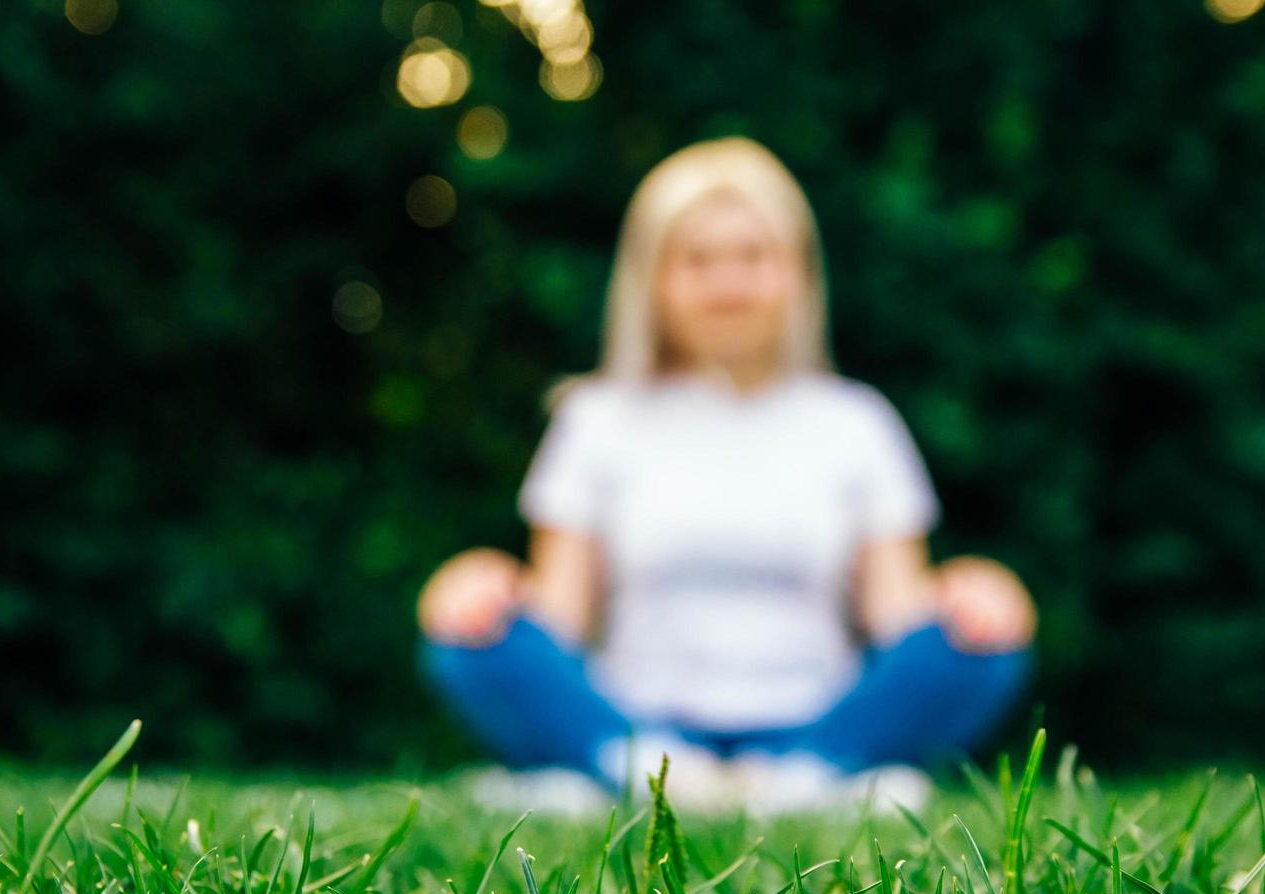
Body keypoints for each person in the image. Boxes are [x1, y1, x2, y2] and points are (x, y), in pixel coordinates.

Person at [417, 136, 1037, 811]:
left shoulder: (857, 422)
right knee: (470, 645)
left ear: (798, 272)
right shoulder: (597, 421)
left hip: (816, 716)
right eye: (698, 260)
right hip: (641, 717)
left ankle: (746, 775)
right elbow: (560, 618)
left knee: (981, 648)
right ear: (652, 280)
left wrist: (977, 600)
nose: (728, 283)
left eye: (753, 257)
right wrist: (475, 594)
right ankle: (736, 778)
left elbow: (897, 618)